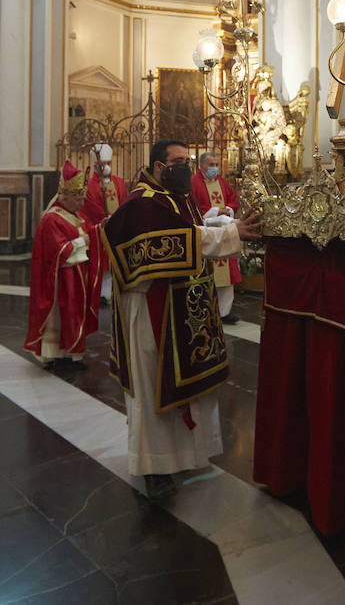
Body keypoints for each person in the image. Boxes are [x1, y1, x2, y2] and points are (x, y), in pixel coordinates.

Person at [103, 139, 259, 499]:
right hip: (150, 310)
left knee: (187, 387)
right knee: (151, 390)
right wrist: (231, 234)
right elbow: (180, 241)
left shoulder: (179, 196)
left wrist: (225, 229)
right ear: (158, 167)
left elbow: (194, 231)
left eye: (188, 161)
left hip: (183, 308)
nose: (185, 168)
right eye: (178, 162)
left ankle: (183, 455)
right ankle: (153, 466)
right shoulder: (141, 204)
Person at [26, 161, 102, 371]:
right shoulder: (52, 218)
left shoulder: (76, 215)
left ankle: (71, 355)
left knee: (75, 315)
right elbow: (58, 251)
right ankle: (58, 356)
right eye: (77, 198)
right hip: (60, 281)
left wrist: (99, 230)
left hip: (77, 276)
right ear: (64, 196)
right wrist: (85, 240)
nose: (80, 202)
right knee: (61, 318)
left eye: (81, 198)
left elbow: (87, 233)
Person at [190, 151, 242, 324]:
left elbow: (233, 199)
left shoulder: (222, 181)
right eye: (211, 164)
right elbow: (192, 206)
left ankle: (225, 312)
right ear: (201, 165)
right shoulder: (193, 182)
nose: (214, 168)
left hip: (225, 231)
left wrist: (228, 209)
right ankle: (206, 310)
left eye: (216, 165)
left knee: (228, 276)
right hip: (208, 230)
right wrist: (214, 212)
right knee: (209, 274)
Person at [81, 143, 128, 303]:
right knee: (103, 262)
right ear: (95, 165)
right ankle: (100, 293)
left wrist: (120, 218)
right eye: (102, 164)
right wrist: (108, 218)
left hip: (118, 226)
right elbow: (92, 208)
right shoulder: (89, 185)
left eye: (108, 163)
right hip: (100, 228)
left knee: (115, 260)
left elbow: (124, 201)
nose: (105, 167)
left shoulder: (119, 181)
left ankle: (113, 290)